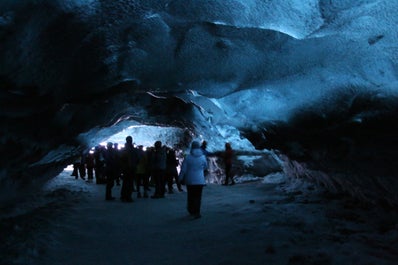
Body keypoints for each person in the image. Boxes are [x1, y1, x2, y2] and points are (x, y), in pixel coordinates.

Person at [178, 141, 208, 219]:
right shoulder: (203, 157)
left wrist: (180, 178)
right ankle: (197, 212)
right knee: (198, 196)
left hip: (190, 180)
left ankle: (191, 210)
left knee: (191, 196)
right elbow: (205, 167)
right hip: (200, 180)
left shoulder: (188, 157)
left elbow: (183, 169)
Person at [120, 136, 140, 202]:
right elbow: (137, 159)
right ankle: (128, 196)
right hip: (131, 168)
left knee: (125, 182)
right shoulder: (133, 150)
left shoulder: (123, 149)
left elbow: (121, 159)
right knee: (130, 182)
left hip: (125, 168)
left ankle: (123, 196)